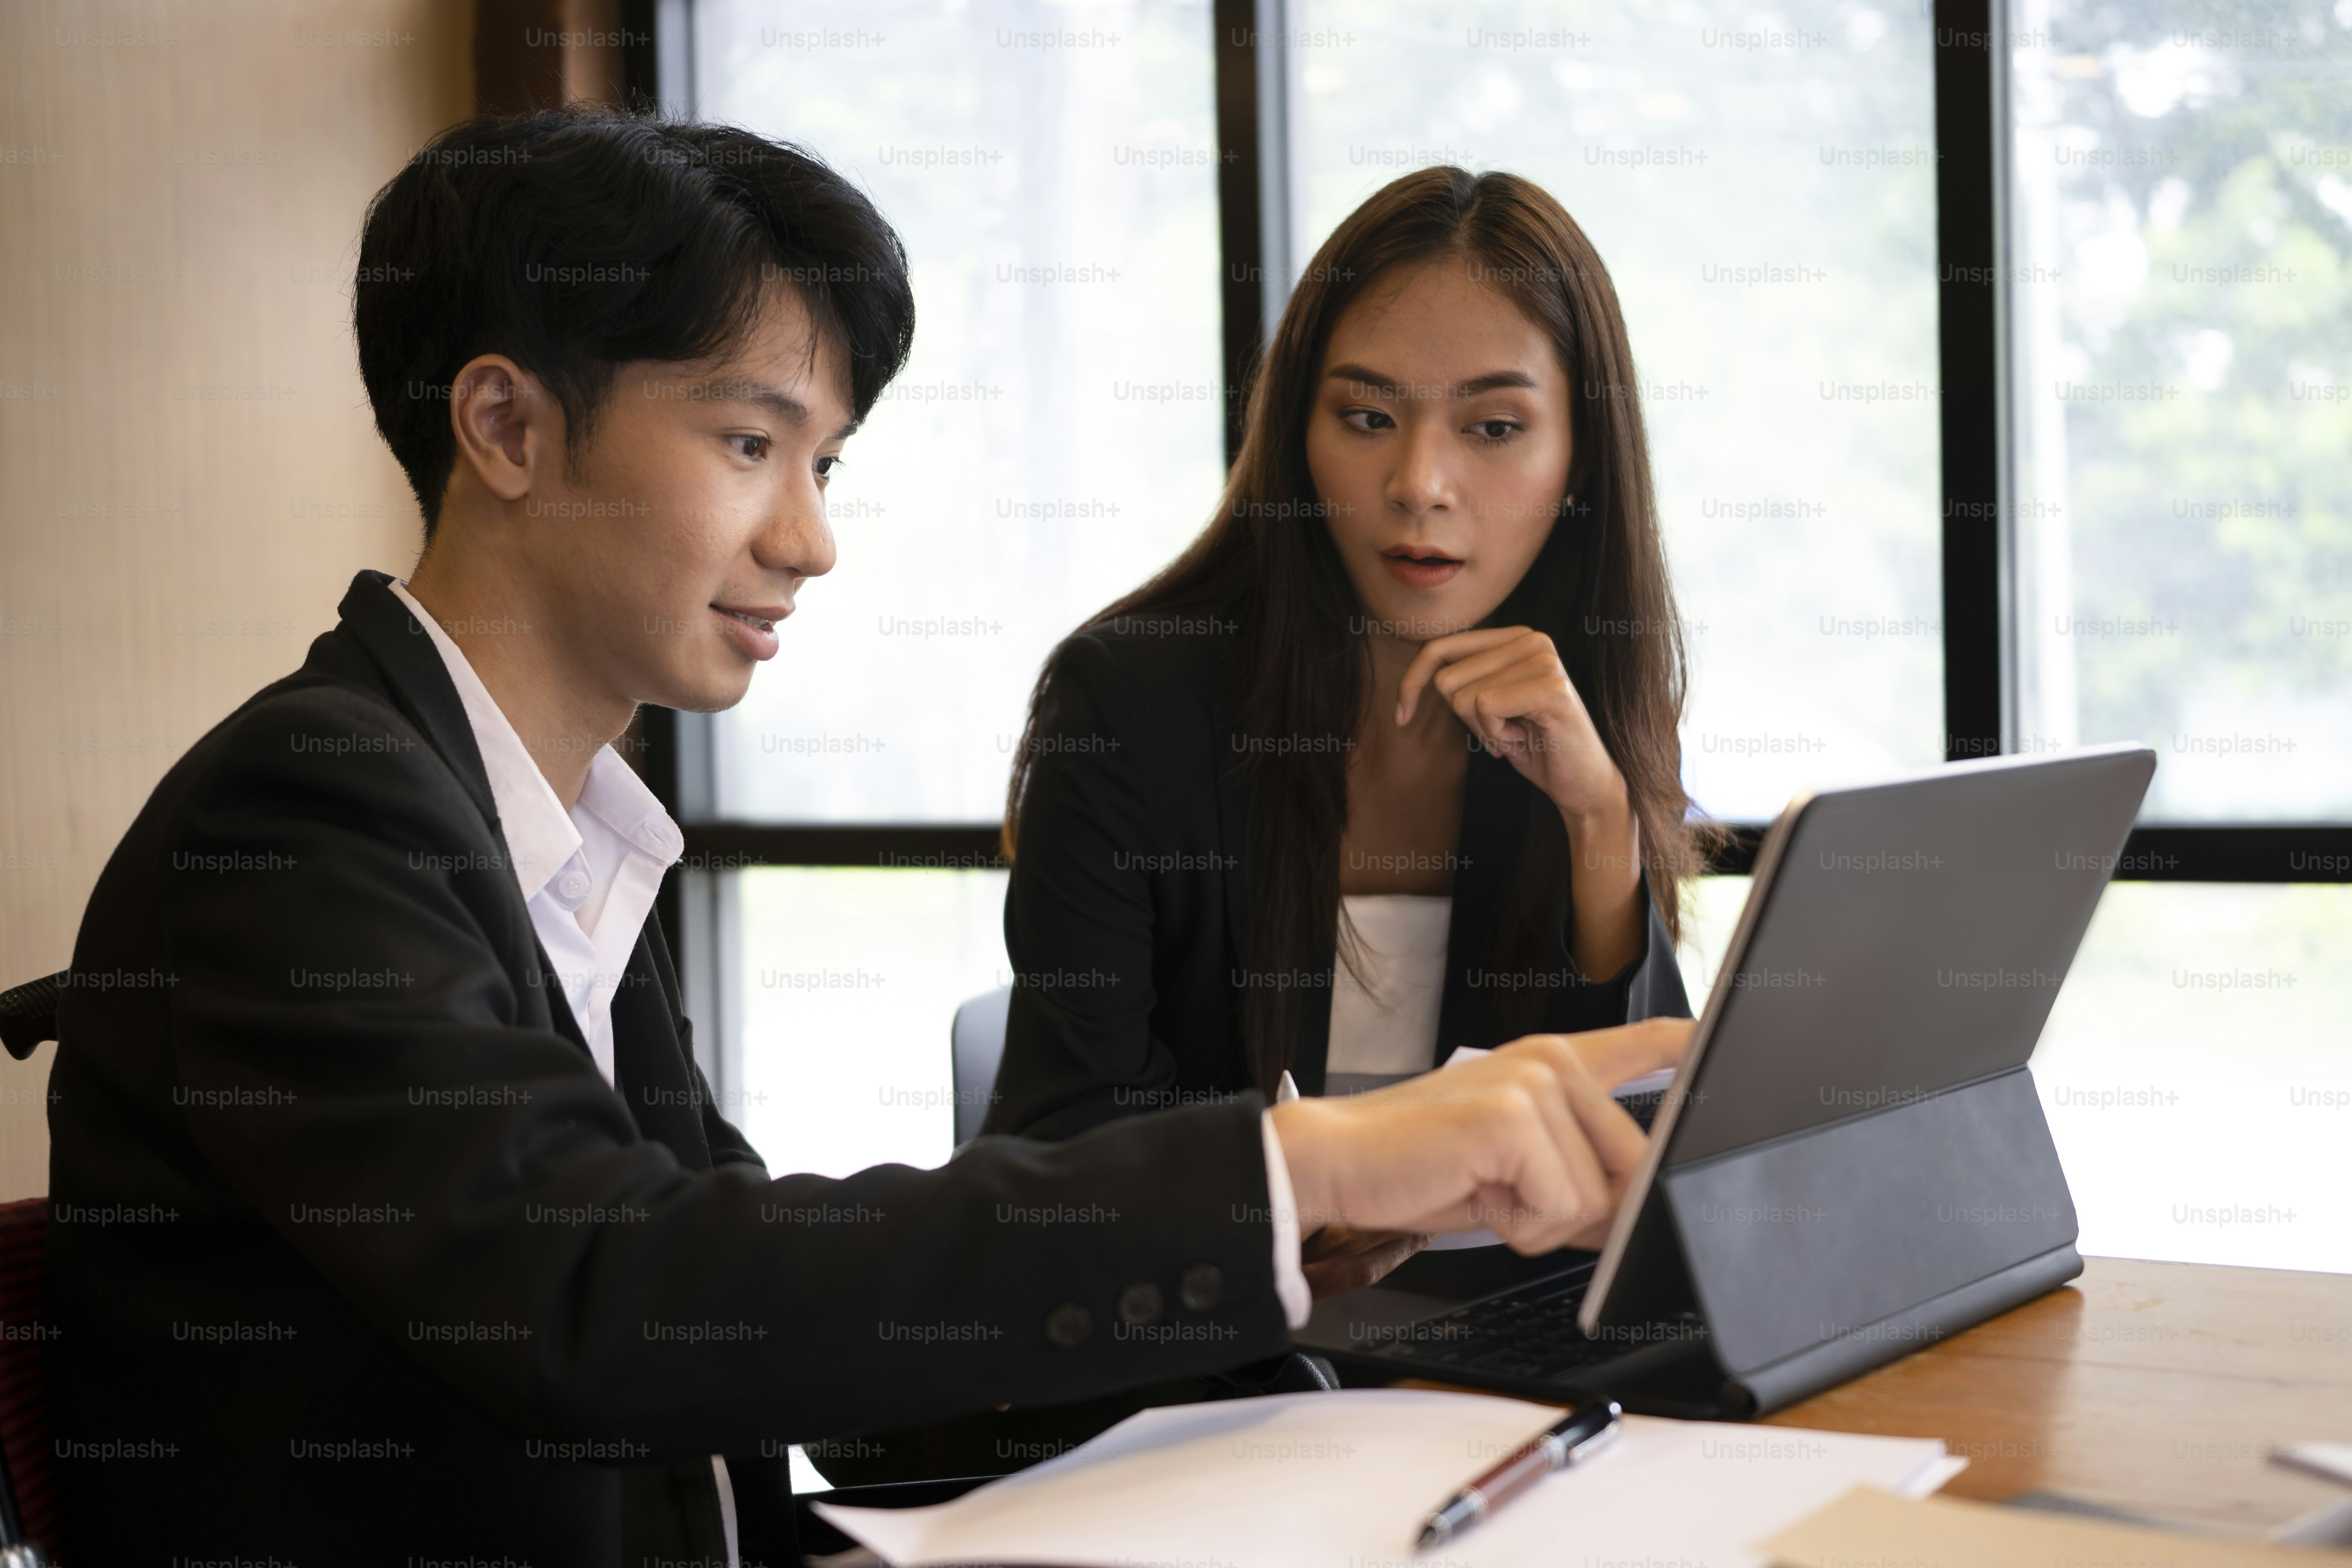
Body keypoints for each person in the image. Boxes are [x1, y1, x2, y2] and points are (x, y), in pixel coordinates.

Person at [39, 111, 1687, 1566]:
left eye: (822, 463)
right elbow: (614, 1298)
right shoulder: (306, 821)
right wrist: (1298, 1162)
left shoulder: (556, 835)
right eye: (752, 445)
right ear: (509, 430)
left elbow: (758, 1317)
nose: (813, 539)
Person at [990, 168, 1709, 1292]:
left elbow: (1646, 1162)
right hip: (1217, 1369)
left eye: (1494, 427)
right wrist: (1283, 1226)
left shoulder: (1591, 703)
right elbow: (1061, 1160)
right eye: (1367, 418)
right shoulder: (1128, 705)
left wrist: (1600, 816)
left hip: (1496, 1367)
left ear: (1581, 460)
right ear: (1297, 433)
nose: (1419, 484)